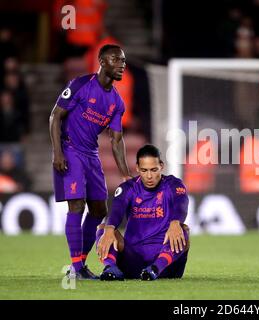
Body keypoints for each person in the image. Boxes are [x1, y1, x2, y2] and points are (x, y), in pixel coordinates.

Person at [49, 44, 131, 279]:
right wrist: (57, 152)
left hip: (91, 154)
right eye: (117, 59)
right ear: (103, 62)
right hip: (70, 149)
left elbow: (116, 140)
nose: (122, 64)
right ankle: (76, 268)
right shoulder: (81, 84)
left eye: (124, 61)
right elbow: (55, 116)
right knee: (76, 205)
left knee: (99, 209)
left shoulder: (117, 102)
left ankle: (80, 264)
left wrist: (125, 175)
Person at [96, 144, 190, 281]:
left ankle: (155, 268)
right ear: (137, 168)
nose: (149, 176)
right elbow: (116, 210)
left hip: (165, 265)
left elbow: (181, 204)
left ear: (161, 166)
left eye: (154, 170)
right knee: (104, 228)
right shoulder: (128, 188)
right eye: (144, 170)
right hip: (132, 259)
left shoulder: (173, 184)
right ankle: (110, 269)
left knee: (183, 229)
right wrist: (110, 229)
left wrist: (175, 222)